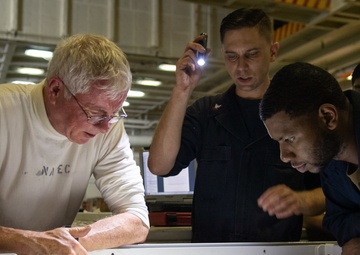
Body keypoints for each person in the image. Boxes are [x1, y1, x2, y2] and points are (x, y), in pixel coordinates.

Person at [148, 8, 326, 242]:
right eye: (232, 56)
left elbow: (330, 191)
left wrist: (302, 200)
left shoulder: (298, 117)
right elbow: (159, 166)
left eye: (251, 54)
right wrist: (182, 90)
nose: (241, 67)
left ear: (273, 52)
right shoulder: (206, 114)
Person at [0, 34, 149, 254]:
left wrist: (67, 244)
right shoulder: (4, 112)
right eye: (96, 113)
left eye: (114, 114)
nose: (105, 128)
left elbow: (137, 219)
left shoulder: (108, 128)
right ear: (55, 90)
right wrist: (29, 241)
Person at [259, 61, 360, 254]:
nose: (284, 156)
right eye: (278, 142)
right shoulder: (332, 159)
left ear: (328, 117)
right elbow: (337, 221)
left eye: (290, 138)